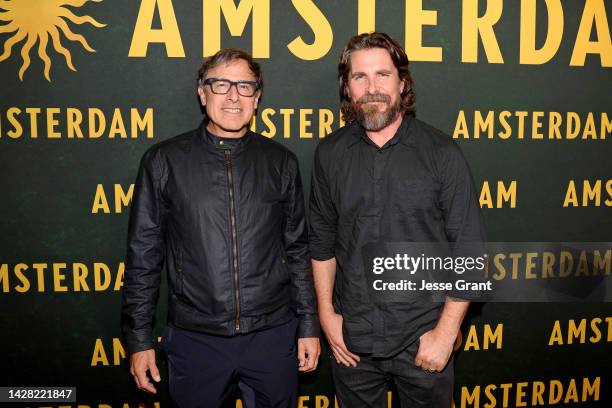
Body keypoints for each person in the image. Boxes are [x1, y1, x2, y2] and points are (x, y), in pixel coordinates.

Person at [121, 48, 320, 408]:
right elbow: (143, 259)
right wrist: (138, 341)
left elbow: (297, 251)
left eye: (244, 86)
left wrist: (307, 326)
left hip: (272, 337)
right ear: (202, 92)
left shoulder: (281, 163)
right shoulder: (163, 161)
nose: (232, 95)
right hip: (196, 339)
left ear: (257, 98)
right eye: (221, 84)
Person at [309, 32, 485, 407]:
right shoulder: (330, 154)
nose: (372, 88)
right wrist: (327, 316)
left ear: (402, 82)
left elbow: (470, 252)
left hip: (422, 336)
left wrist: (444, 333)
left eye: (383, 75)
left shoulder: (442, 153)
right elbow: (322, 242)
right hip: (352, 341)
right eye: (360, 77)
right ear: (347, 87)